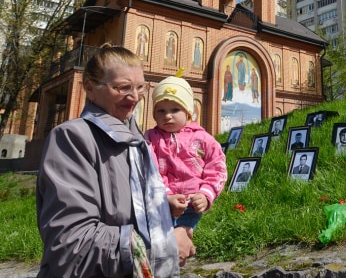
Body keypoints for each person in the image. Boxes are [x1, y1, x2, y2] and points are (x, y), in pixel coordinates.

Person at [36, 44, 194, 276]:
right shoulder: (72, 138)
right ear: (90, 87)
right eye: (122, 88)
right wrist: (165, 245)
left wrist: (163, 209)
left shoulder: (136, 141)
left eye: (141, 87)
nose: (134, 97)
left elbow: (123, 206)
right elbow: (72, 242)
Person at [146, 74, 228, 232]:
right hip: (163, 204)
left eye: (175, 110)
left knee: (182, 240)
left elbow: (217, 167)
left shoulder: (203, 138)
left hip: (193, 204)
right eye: (161, 111)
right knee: (162, 244)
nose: (167, 116)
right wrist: (167, 197)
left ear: (189, 113)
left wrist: (206, 194)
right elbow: (151, 170)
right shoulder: (151, 139)